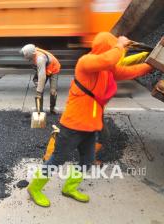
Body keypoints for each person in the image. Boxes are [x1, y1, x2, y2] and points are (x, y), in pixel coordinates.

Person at [27, 32, 153, 207]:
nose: (118, 51)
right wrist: (121, 45)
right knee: (58, 159)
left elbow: (127, 71)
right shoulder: (86, 62)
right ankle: (34, 188)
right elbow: (109, 60)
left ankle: (69, 188)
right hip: (73, 125)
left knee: (87, 160)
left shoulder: (105, 70)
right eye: (113, 46)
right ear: (106, 48)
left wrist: (149, 66)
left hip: (91, 126)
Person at [20, 44, 61, 114]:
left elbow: (42, 77)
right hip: (44, 68)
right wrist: (39, 88)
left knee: (53, 91)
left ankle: (52, 108)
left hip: (53, 69)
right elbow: (40, 73)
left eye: (25, 55)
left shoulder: (40, 59)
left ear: (30, 54)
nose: (24, 57)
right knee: (38, 86)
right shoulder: (33, 51)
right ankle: (39, 110)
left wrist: (39, 92)